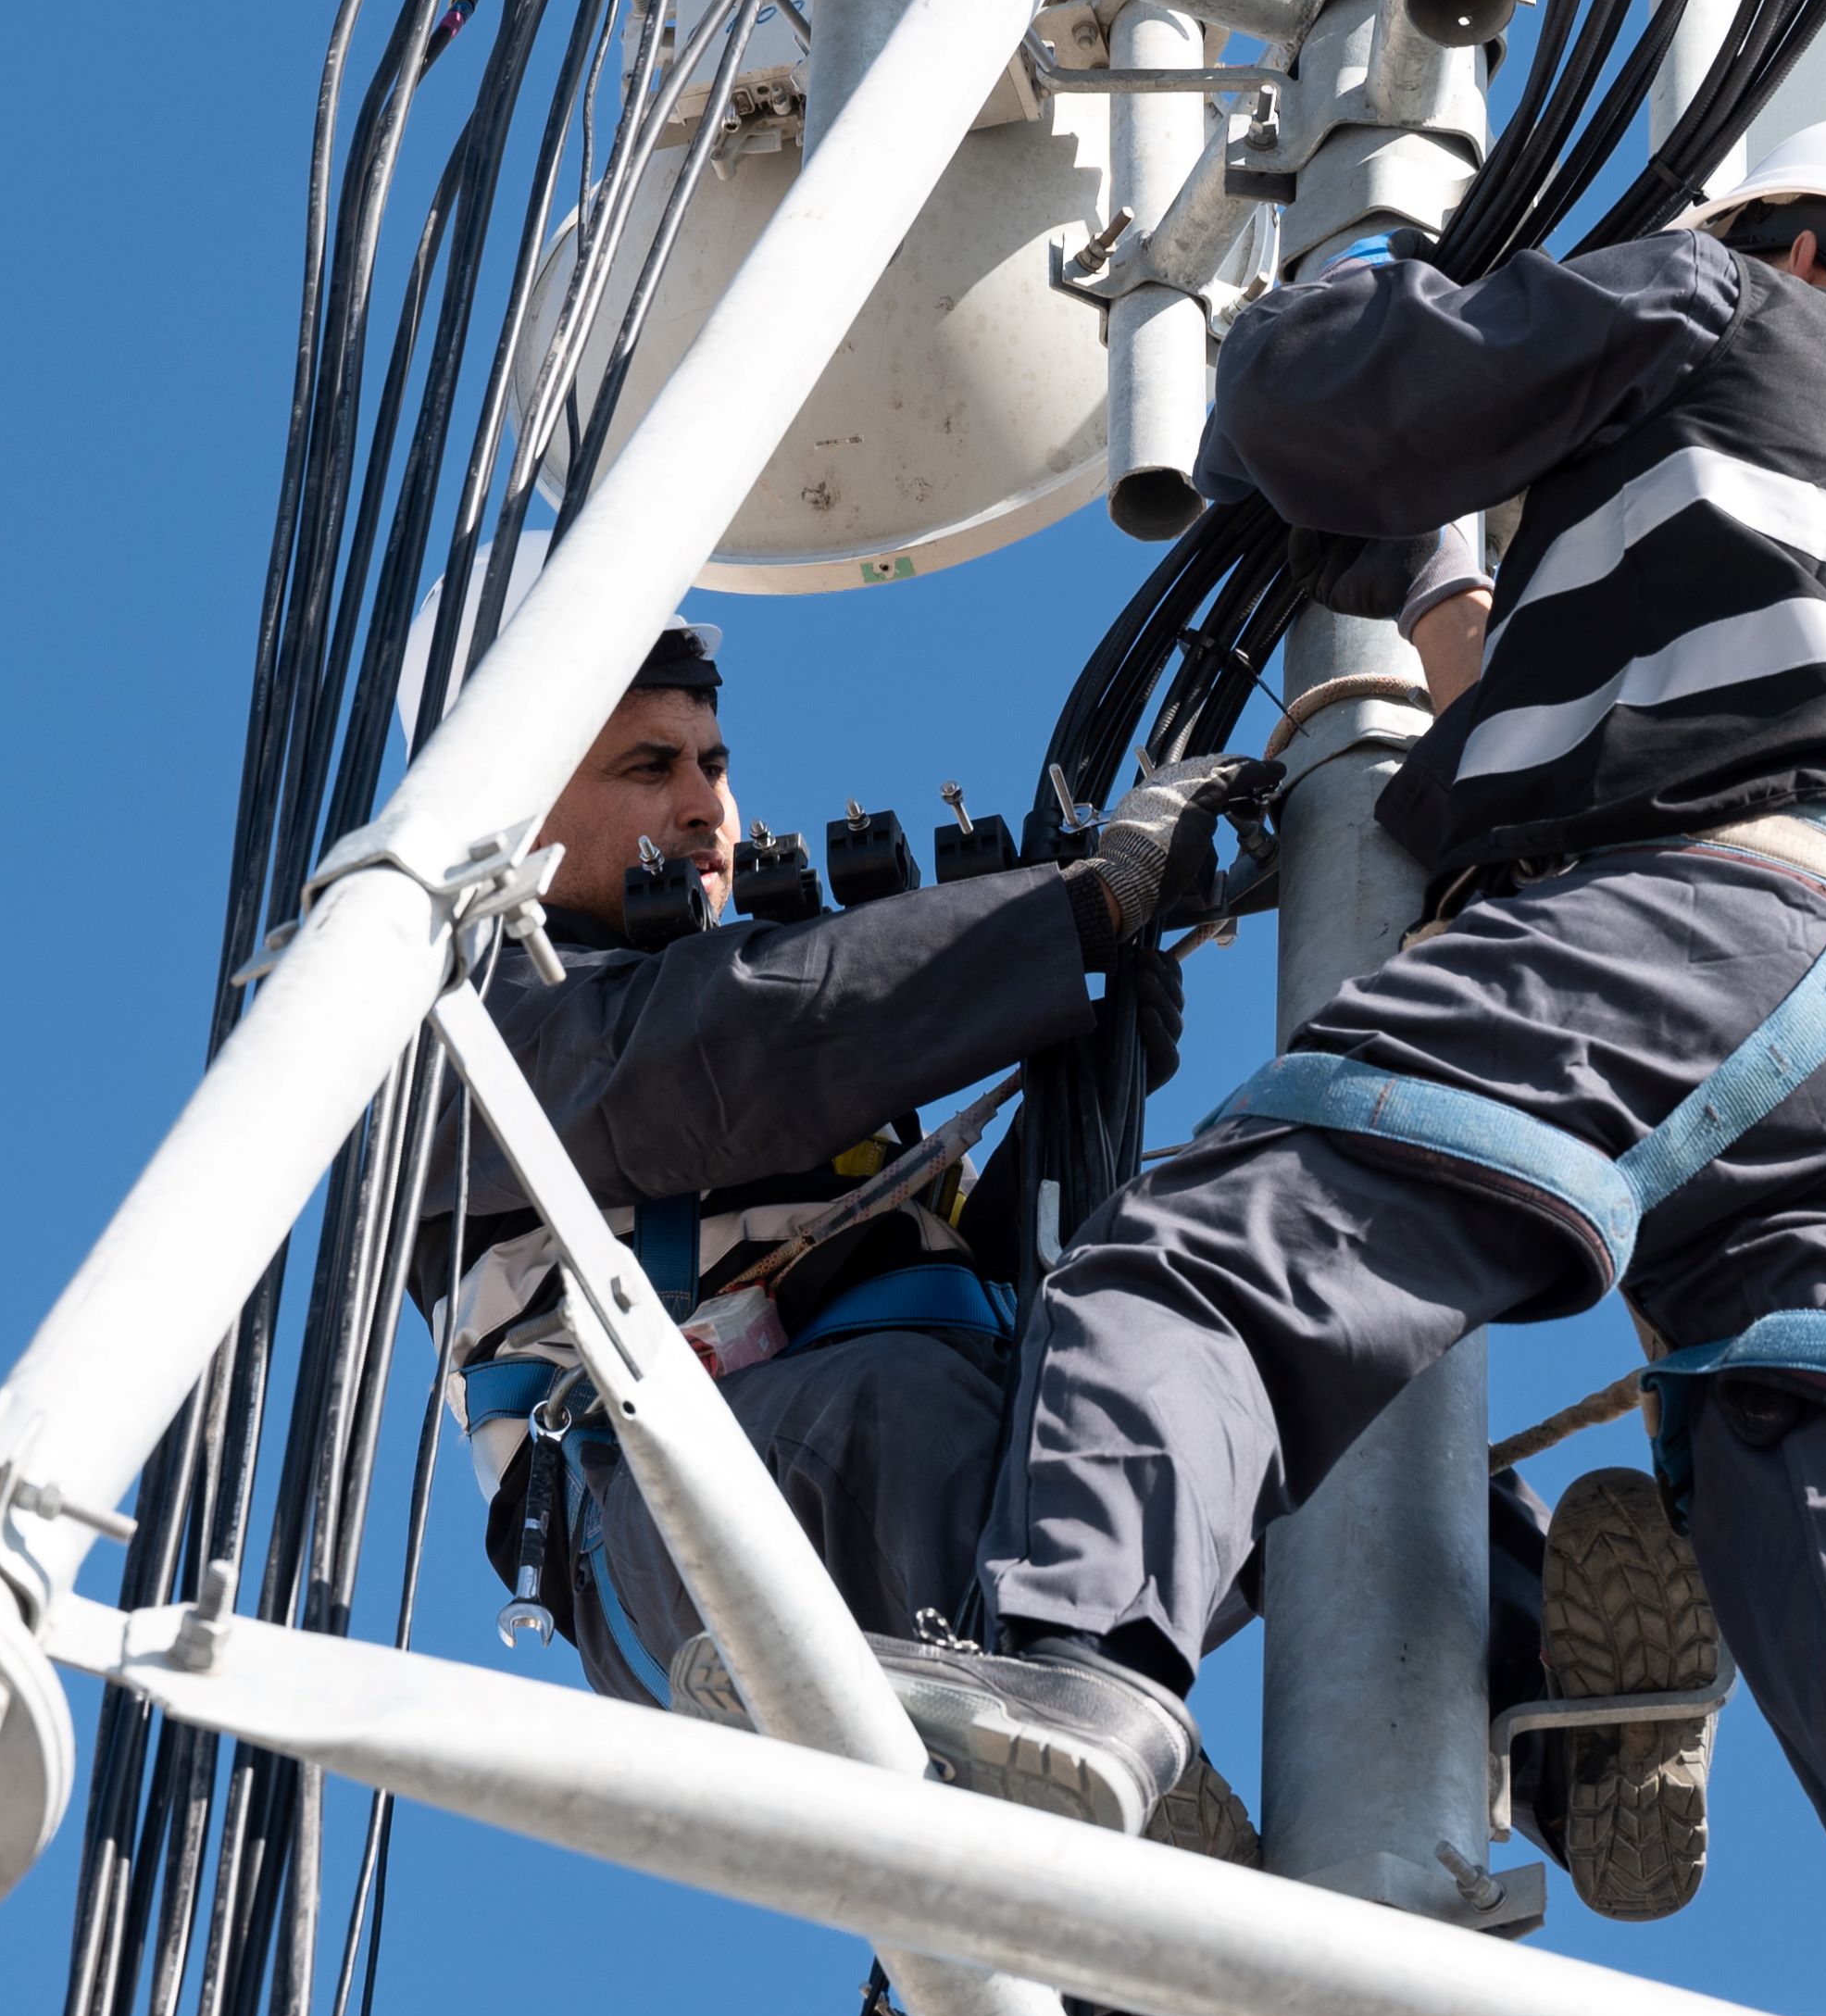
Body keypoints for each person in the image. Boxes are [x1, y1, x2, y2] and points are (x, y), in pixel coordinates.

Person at [947, 115, 1826, 2016]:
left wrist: (1362, 269)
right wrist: (1474, 632)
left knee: (1207, 1259)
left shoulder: (1721, 303)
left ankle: (1073, 1687)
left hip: (1701, 920)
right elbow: (1590, 689)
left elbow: (1335, 410)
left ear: (1792, 231)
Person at [425, 618, 1275, 1832]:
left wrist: (1091, 1061)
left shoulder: (801, 1053)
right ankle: (1092, 1848)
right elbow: (711, 1060)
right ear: (514, 823)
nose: (705, 806)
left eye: (713, 764)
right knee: (893, 1404)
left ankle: (1539, 1678)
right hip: (681, 1520)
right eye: (649, 768)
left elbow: (992, 1284)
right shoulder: (453, 1039)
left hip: (913, 1449)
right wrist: (1066, 916)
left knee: (1236, 1295)